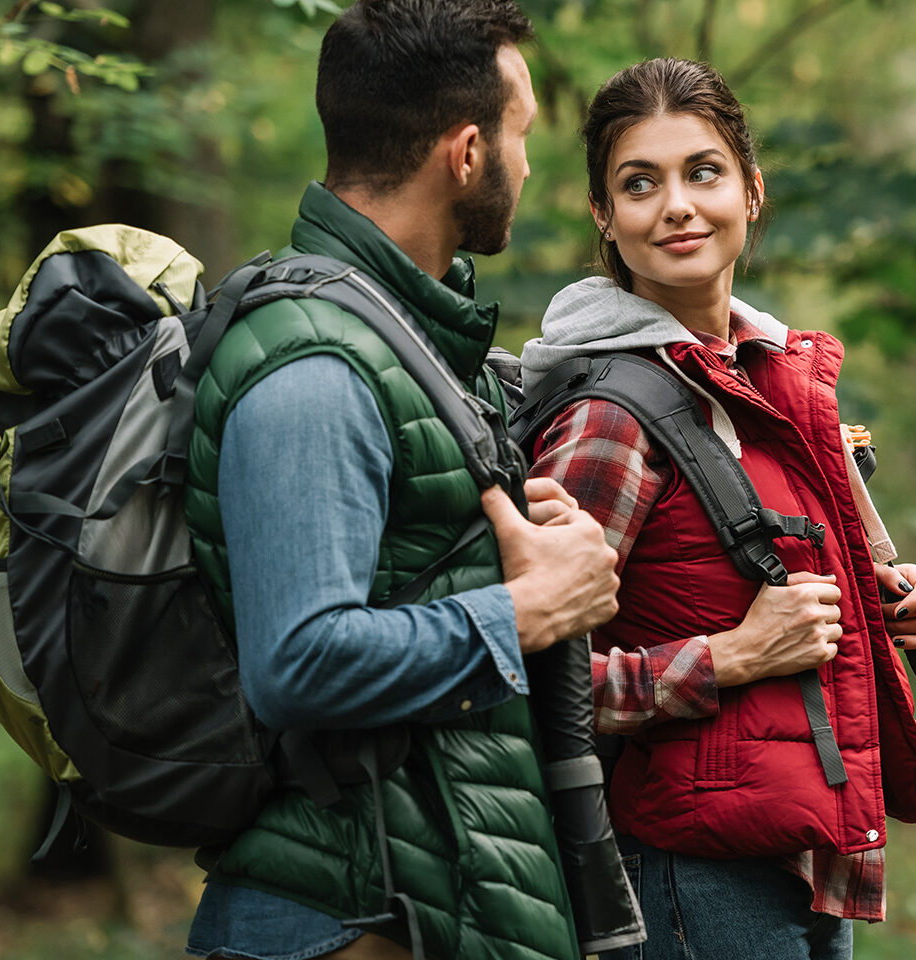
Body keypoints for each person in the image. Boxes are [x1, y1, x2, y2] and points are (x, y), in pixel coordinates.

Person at [182, 3, 620, 959]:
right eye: (522, 134)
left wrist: (501, 550)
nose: (530, 163)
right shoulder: (314, 367)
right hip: (343, 917)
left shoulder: (410, 342)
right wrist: (527, 611)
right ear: (466, 153)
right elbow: (299, 660)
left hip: (416, 900)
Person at [517, 58, 916, 960]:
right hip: (681, 872)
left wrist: (882, 601)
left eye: (702, 172)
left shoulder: (770, 380)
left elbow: (764, 584)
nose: (676, 205)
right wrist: (730, 657)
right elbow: (527, 678)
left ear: (752, 191)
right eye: (640, 183)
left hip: (802, 849)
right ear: (605, 216)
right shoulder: (609, 415)